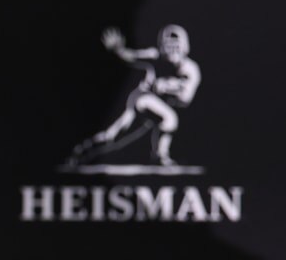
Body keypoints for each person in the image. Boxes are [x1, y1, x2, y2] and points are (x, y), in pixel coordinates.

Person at [67, 23, 201, 167]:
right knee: (170, 118)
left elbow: (185, 99)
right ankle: (160, 156)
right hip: (143, 99)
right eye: (168, 45)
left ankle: (82, 151)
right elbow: (133, 56)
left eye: (175, 45)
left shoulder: (191, 70)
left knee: (113, 138)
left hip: (156, 106)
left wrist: (169, 87)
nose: (172, 49)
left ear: (185, 46)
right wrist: (118, 49)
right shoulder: (155, 56)